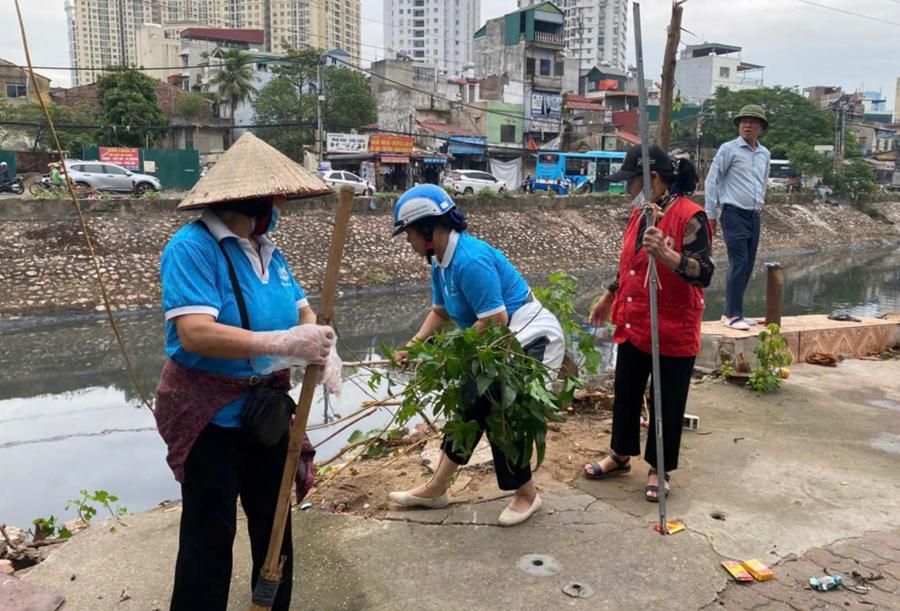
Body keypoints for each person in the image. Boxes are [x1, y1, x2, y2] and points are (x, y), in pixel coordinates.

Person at [153, 132, 339, 611]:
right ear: (250, 198)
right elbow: (195, 333)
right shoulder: (192, 248)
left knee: (275, 526)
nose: (280, 207)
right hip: (209, 416)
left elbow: (303, 315)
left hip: (267, 413)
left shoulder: (268, 251)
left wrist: (320, 343)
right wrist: (278, 344)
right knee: (209, 537)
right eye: (275, 198)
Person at [388, 184, 565, 527]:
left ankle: (526, 494)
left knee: (498, 405)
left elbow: (497, 319)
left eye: (408, 233)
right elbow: (439, 312)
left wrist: (451, 353)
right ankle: (437, 488)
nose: (407, 242)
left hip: (529, 335)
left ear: (428, 229)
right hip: (495, 340)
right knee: (469, 403)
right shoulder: (439, 263)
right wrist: (415, 343)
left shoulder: (469, 260)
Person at [583, 145, 713, 502]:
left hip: (673, 324)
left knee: (666, 400)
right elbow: (629, 264)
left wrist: (668, 255)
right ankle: (621, 454)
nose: (627, 189)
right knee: (625, 390)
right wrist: (609, 295)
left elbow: (704, 273)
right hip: (634, 318)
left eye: (632, 182)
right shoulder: (641, 214)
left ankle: (660, 468)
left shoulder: (691, 216)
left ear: (653, 178)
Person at [704, 104, 771, 331]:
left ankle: (733, 312)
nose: (747, 125)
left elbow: (762, 182)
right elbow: (712, 180)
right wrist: (710, 213)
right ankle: (733, 314)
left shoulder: (764, 153)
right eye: (744, 121)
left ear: (761, 126)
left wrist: (759, 204)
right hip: (733, 213)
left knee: (749, 264)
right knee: (739, 262)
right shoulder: (728, 149)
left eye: (752, 122)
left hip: (754, 215)